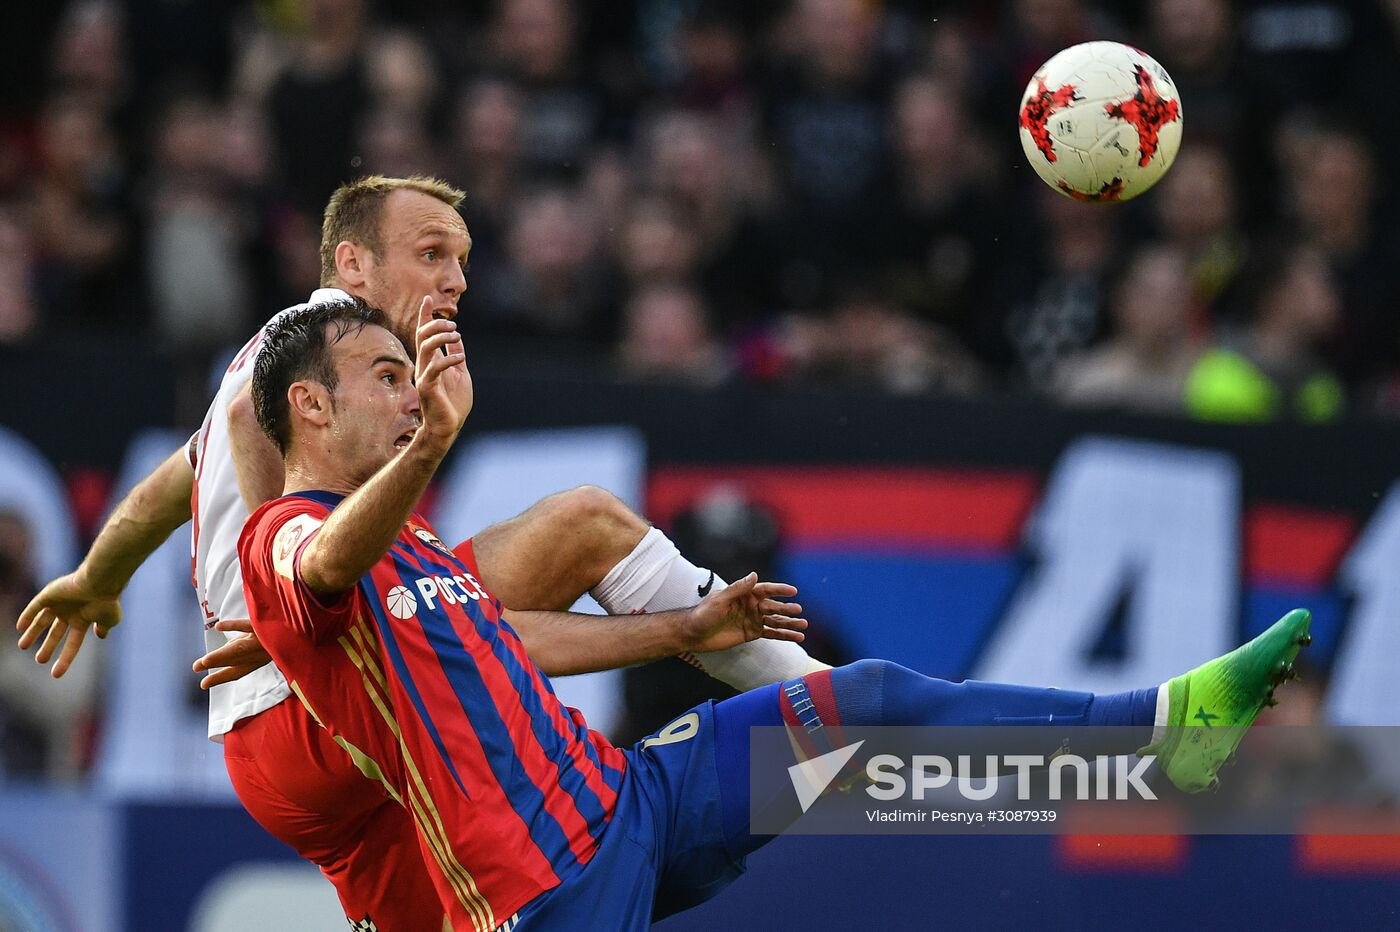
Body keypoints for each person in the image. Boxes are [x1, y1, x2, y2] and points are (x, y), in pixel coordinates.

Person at [243, 295, 1311, 930]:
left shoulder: (415, 543)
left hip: (634, 800)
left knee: (869, 702)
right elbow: (325, 560)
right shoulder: (285, 538)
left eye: (408, 380)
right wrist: (433, 444)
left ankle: (1155, 740)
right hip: (542, 891)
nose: (410, 396)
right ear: (309, 404)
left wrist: (671, 631)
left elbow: (495, 641)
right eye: (385, 377)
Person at [16, 175, 827, 928]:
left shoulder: (289, 365)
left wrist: (97, 574)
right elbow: (255, 476)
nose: (457, 281)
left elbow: (181, 473)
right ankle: (847, 727)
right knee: (580, 527)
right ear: (352, 264)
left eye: (465, 261)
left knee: (462, 690)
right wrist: (287, 621)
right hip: (304, 712)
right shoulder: (306, 349)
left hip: (291, 754)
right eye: (432, 254)